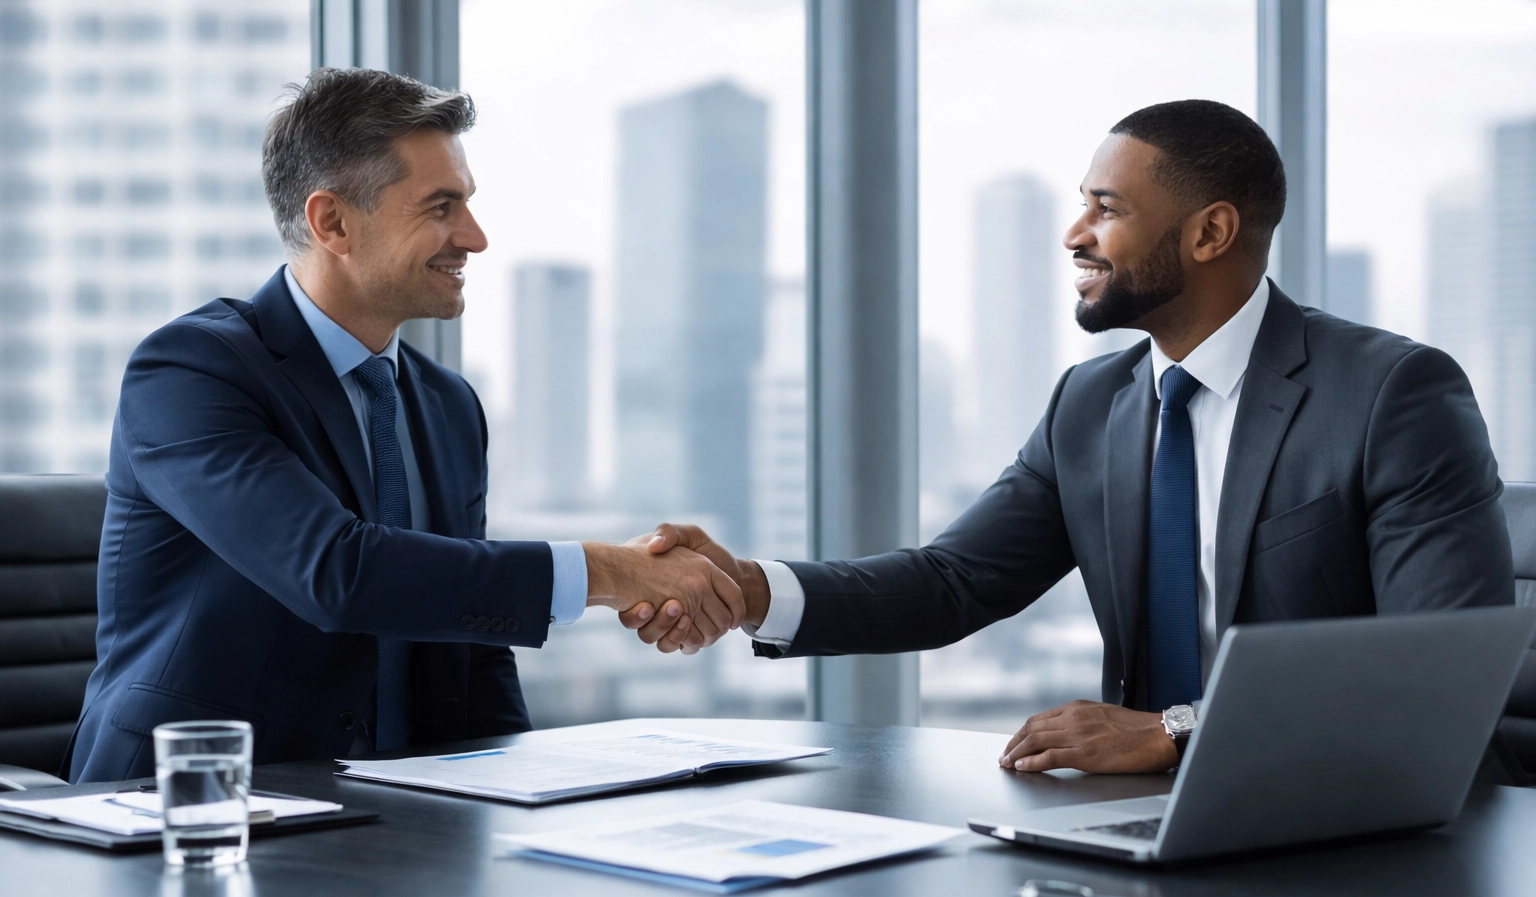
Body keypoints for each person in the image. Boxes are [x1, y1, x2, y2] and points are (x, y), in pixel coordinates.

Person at [626, 98, 1514, 775]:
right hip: (1135, 818)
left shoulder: (1392, 392)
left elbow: (1432, 669)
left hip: (1350, 826)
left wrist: (1175, 732)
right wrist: (747, 592)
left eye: (1106, 208)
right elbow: (953, 583)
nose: (1074, 235)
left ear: (1210, 232)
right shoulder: (1091, 405)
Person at [64, 67, 741, 789]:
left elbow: (474, 647)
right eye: (441, 207)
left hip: (391, 823)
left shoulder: (449, 405)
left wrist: (523, 799)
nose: (474, 238)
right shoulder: (192, 371)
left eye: (468, 205)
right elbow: (336, 571)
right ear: (333, 223)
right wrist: (610, 571)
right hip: (188, 811)